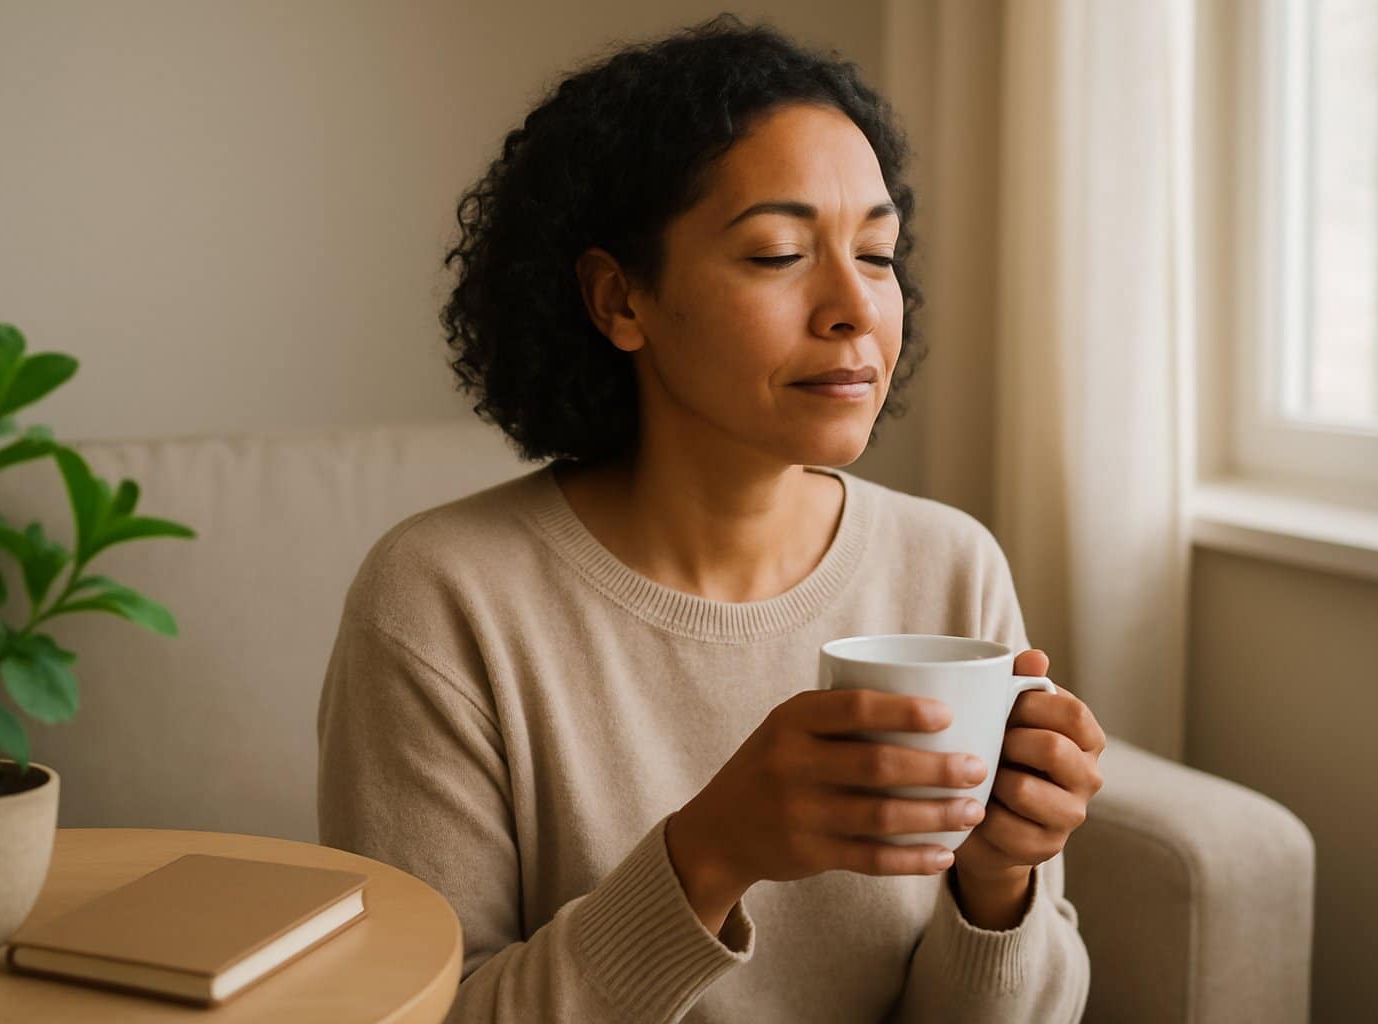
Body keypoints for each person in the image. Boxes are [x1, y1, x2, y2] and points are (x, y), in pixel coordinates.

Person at [317, 13, 1106, 1022]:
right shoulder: (441, 599)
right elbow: (428, 1014)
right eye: (778, 253)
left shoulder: (949, 564)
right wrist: (710, 855)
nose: (854, 308)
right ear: (619, 300)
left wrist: (1000, 884)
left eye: (876, 252)